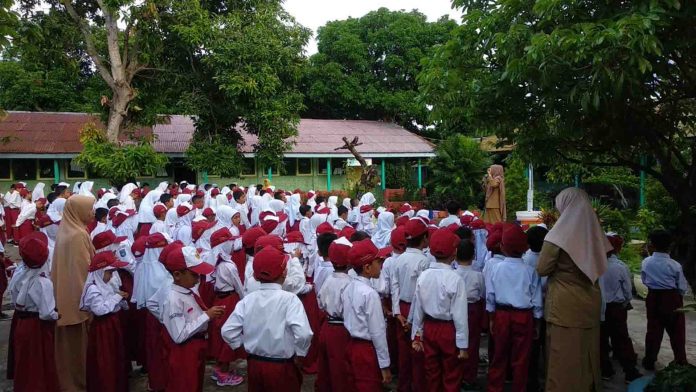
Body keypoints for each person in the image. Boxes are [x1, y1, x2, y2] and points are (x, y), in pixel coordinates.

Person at [537, 188, 610, 392]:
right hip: (590, 301)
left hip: (564, 305)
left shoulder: (557, 235)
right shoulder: (595, 233)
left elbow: (542, 268)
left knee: (563, 359)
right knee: (587, 355)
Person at [222, 247, 313, 392]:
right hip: (282, 366)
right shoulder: (290, 300)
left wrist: (241, 346)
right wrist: (300, 353)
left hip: (255, 364)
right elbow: (303, 334)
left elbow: (227, 330)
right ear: (284, 273)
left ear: (256, 277)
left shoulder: (247, 300)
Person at [486, 224, 543, 392]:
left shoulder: (496, 268)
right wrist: (537, 322)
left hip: (501, 314)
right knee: (521, 358)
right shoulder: (531, 271)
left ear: (502, 247)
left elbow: (490, 295)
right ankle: (519, 388)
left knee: (499, 355)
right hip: (524, 316)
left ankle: (494, 388)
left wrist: (491, 318)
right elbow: (537, 300)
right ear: (525, 248)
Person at [410, 228, 468, 392]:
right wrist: (463, 345)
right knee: (451, 373)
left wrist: (417, 334)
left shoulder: (424, 275)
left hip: (429, 328)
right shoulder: (456, 279)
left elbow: (418, 309)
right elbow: (460, 316)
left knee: (431, 371)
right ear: (454, 252)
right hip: (449, 330)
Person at [160, 246, 224, 392]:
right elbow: (179, 335)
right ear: (177, 275)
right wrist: (206, 316)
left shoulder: (188, 292)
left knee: (195, 384)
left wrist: (208, 314)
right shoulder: (174, 300)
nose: (198, 279)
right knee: (185, 385)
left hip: (195, 348)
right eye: (195, 275)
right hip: (184, 353)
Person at [52, 195, 96, 391]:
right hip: (77, 302)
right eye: (89, 209)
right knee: (77, 351)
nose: (93, 213)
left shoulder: (68, 231)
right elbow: (82, 273)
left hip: (65, 298)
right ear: (78, 211)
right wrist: (89, 306)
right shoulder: (78, 235)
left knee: (69, 352)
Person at [342, 239, 392, 391]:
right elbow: (377, 332)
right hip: (366, 350)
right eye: (379, 262)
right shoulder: (370, 294)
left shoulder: (349, 287)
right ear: (367, 267)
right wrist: (385, 365)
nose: (381, 265)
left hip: (351, 344)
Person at [13, 232, 60, 392]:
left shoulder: (19, 274)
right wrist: (57, 315)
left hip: (22, 323)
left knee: (25, 363)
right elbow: (46, 313)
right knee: (39, 364)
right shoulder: (43, 282)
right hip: (38, 327)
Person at [80, 252, 130, 392]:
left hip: (113, 324)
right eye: (109, 272)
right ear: (100, 272)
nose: (112, 276)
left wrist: (122, 301)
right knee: (105, 361)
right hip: (102, 328)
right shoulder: (93, 289)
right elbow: (100, 309)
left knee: (116, 359)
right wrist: (116, 297)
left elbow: (114, 304)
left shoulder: (106, 285)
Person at [391, 218, 429, 392]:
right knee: (418, 351)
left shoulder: (398, 259)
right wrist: (413, 318)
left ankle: (403, 386)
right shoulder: (424, 261)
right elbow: (421, 292)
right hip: (418, 309)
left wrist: (398, 313)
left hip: (402, 308)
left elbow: (395, 287)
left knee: (404, 353)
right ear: (425, 238)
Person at [641, 229, 688, 369]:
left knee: (653, 330)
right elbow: (682, 287)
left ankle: (649, 360)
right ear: (670, 245)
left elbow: (644, 280)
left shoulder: (646, 262)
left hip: (653, 297)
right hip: (672, 298)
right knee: (677, 332)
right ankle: (680, 361)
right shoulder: (675, 265)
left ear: (652, 245)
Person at [599, 234, 642, 382]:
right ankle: (630, 372)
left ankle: (606, 371)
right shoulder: (620, 267)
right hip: (617, 308)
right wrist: (625, 304)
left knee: (602, 340)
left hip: (600, 308)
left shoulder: (595, 266)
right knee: (622, 339)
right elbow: (627, 292)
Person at [207, 228, 245, 387]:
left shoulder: (215, 261)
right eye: (230, 241)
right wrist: (244, 300)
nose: (232, 244)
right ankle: (223, 371)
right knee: (229, 333)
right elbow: (238, 285)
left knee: (218, 332)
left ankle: (219, 368)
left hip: (219, 299)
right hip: (229, 299)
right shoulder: (228, 265)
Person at [316, 237, 353, 392]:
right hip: (342, 329)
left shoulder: (328, 279)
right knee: (341, 370)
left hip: (327, 325)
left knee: (326, 368)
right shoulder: (350, 283)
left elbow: (320, 301)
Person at [454, 239, 485, 389]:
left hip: (456, 310)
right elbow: (482, 293)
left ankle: (456, 375)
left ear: (455, 255)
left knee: (455, 342)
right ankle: (469, 377)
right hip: (473, 310)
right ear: (473, 256)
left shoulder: (453, 274)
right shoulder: (478, 275)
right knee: (472, 344)